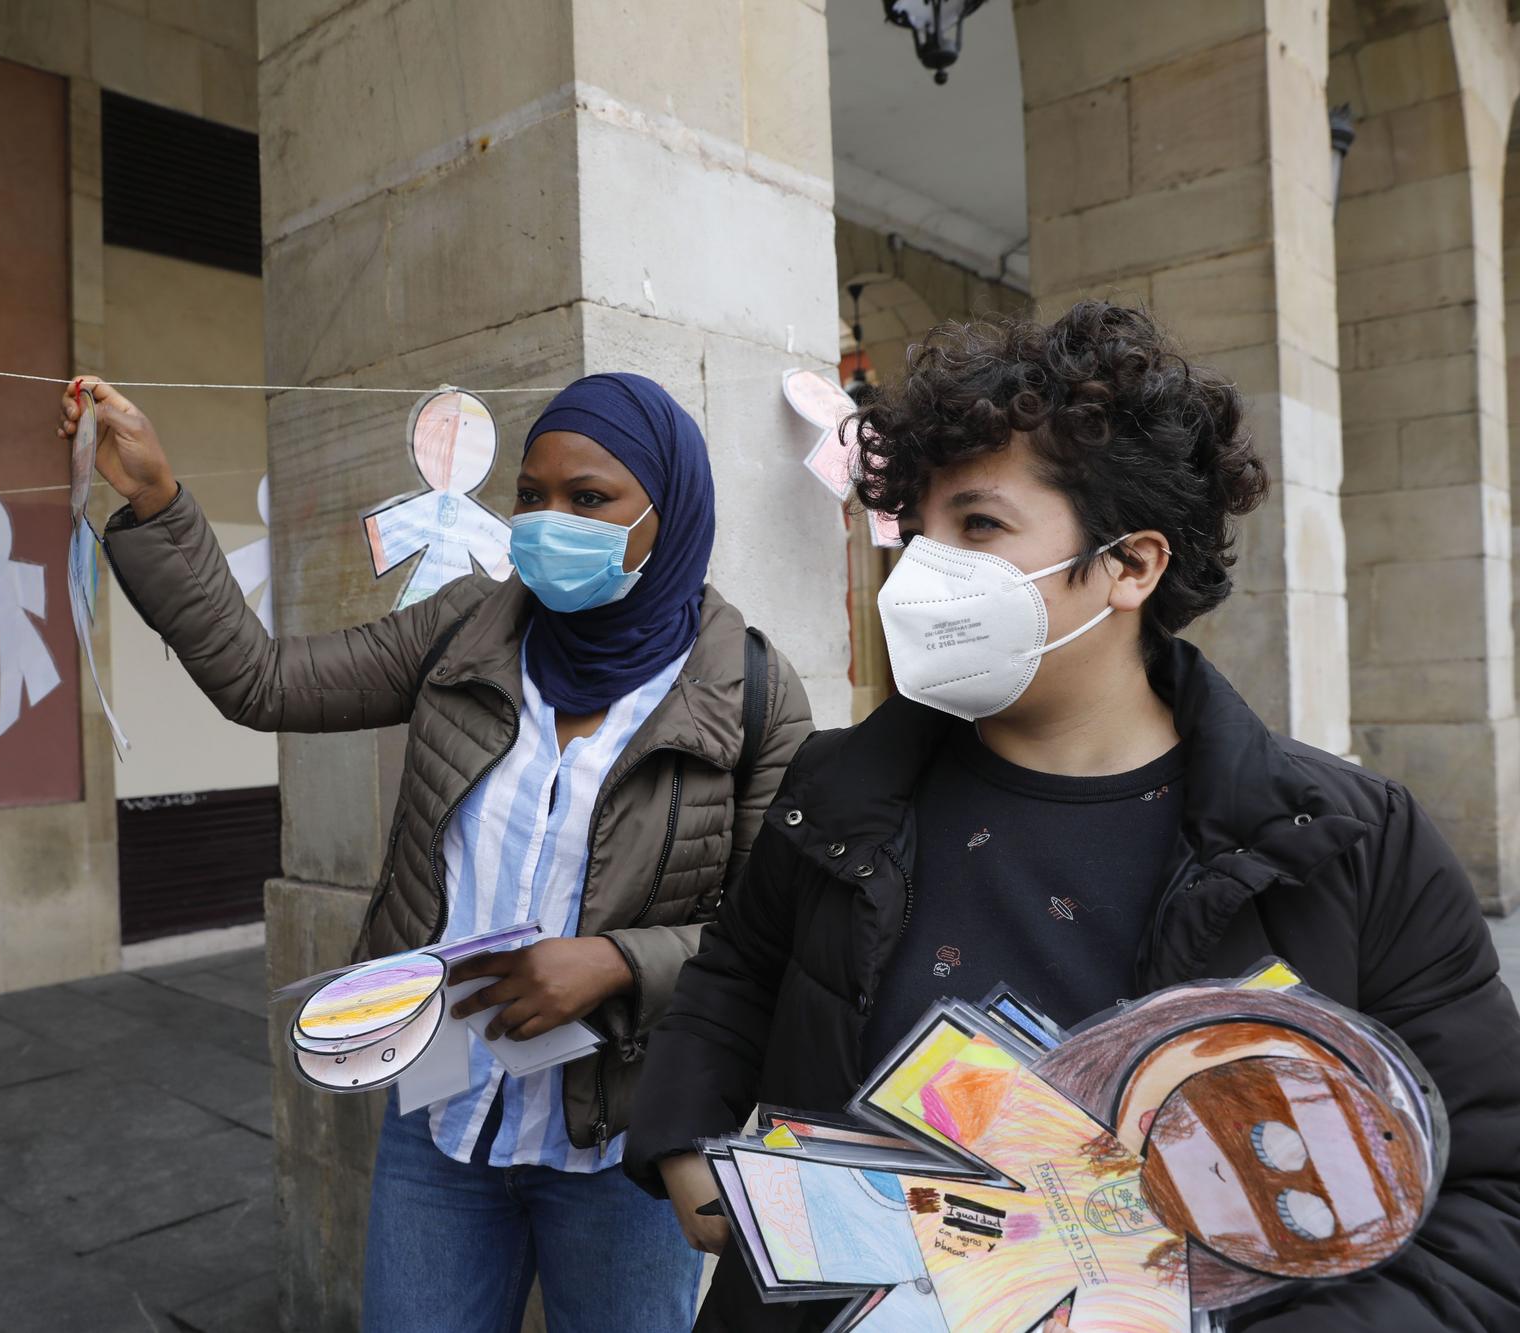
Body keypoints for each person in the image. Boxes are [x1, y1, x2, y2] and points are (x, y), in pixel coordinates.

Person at [625, 302, 1520, 1331]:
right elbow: (734, 978)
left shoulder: (1346, 842)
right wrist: (686, 1136)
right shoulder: (836, 790)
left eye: (978, 525)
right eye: (914, 531)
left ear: (1131, 565)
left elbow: (1489, 1195)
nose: (918, 571)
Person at [65, 371, 813, 1332]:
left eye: (589, 499)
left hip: (621, 1138)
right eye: (532, 496)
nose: (550, 522)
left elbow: (773, 938)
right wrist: (159, 501)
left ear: (669, 512)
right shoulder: (469, 625)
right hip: (446, 1111)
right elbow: (264, 682)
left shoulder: (750, 691)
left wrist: (615, 963)